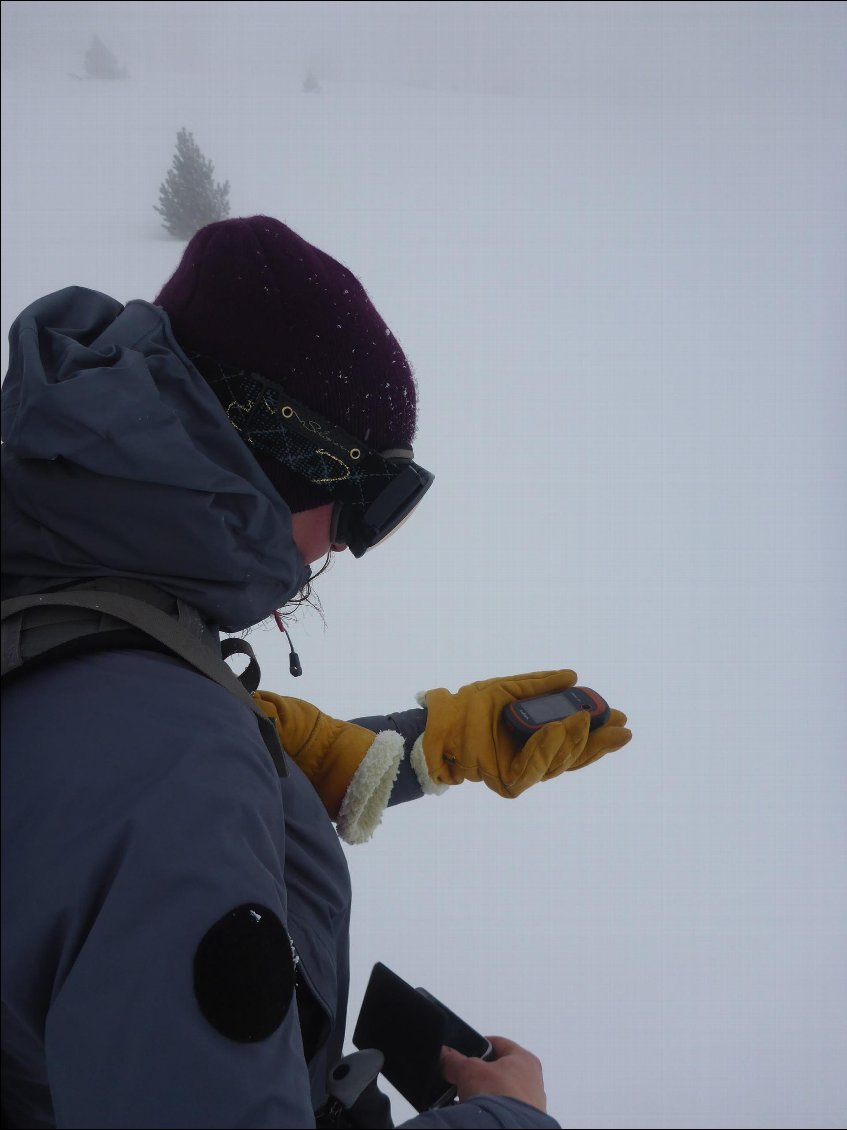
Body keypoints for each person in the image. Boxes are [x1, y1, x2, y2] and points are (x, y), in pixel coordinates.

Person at [1, 216, 631, 1129]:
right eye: (360, 511)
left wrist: (431, 748)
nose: (341, 551)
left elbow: (115, 749)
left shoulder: (48, 568)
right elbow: (162, 786)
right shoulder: (179, 780)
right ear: (276, 457)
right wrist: (510, 1121)